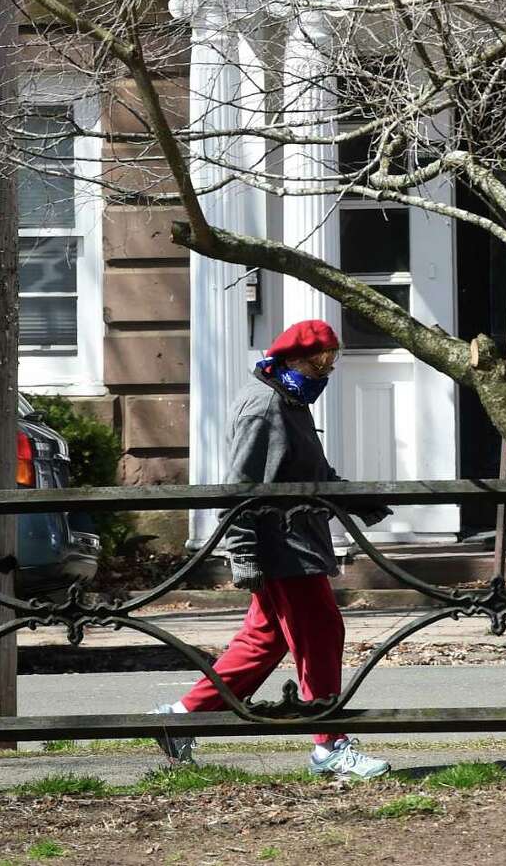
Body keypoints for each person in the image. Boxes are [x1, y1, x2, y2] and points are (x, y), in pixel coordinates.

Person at [152, 318, 391, 780]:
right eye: (322, 367)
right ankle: (329, 744)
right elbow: (240, 490)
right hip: (282, 547)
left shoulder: (289, 400)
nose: (326, 376)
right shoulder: (264, 407)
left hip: (295, 541)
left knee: (263, 640)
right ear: (296, 361)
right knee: (321, 633)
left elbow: (313, 475)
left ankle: (180, 718)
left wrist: (362, 502)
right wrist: (243, 555)